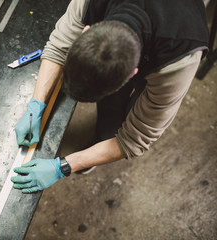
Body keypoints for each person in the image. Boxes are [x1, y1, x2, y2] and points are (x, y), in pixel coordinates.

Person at [11, 0, 209, 193]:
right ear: (85, 31)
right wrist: (36, 105)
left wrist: (65, 166)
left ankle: (102, 140)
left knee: (130, 117)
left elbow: (135, 138)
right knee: (110, 113)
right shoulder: (90, 3)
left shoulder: (179, 58)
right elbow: (58, 47)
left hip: (169, 45)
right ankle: (103, 134)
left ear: (133, 74)